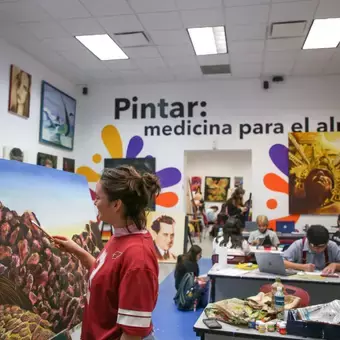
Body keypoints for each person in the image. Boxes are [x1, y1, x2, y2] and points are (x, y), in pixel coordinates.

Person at [53, 165, 160, 340]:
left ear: (116, 204)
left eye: (98, 198)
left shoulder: (137, 258)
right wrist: (77, 250)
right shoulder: (120, 236)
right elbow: (106, 276)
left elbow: (132, 335)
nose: (94, 203)